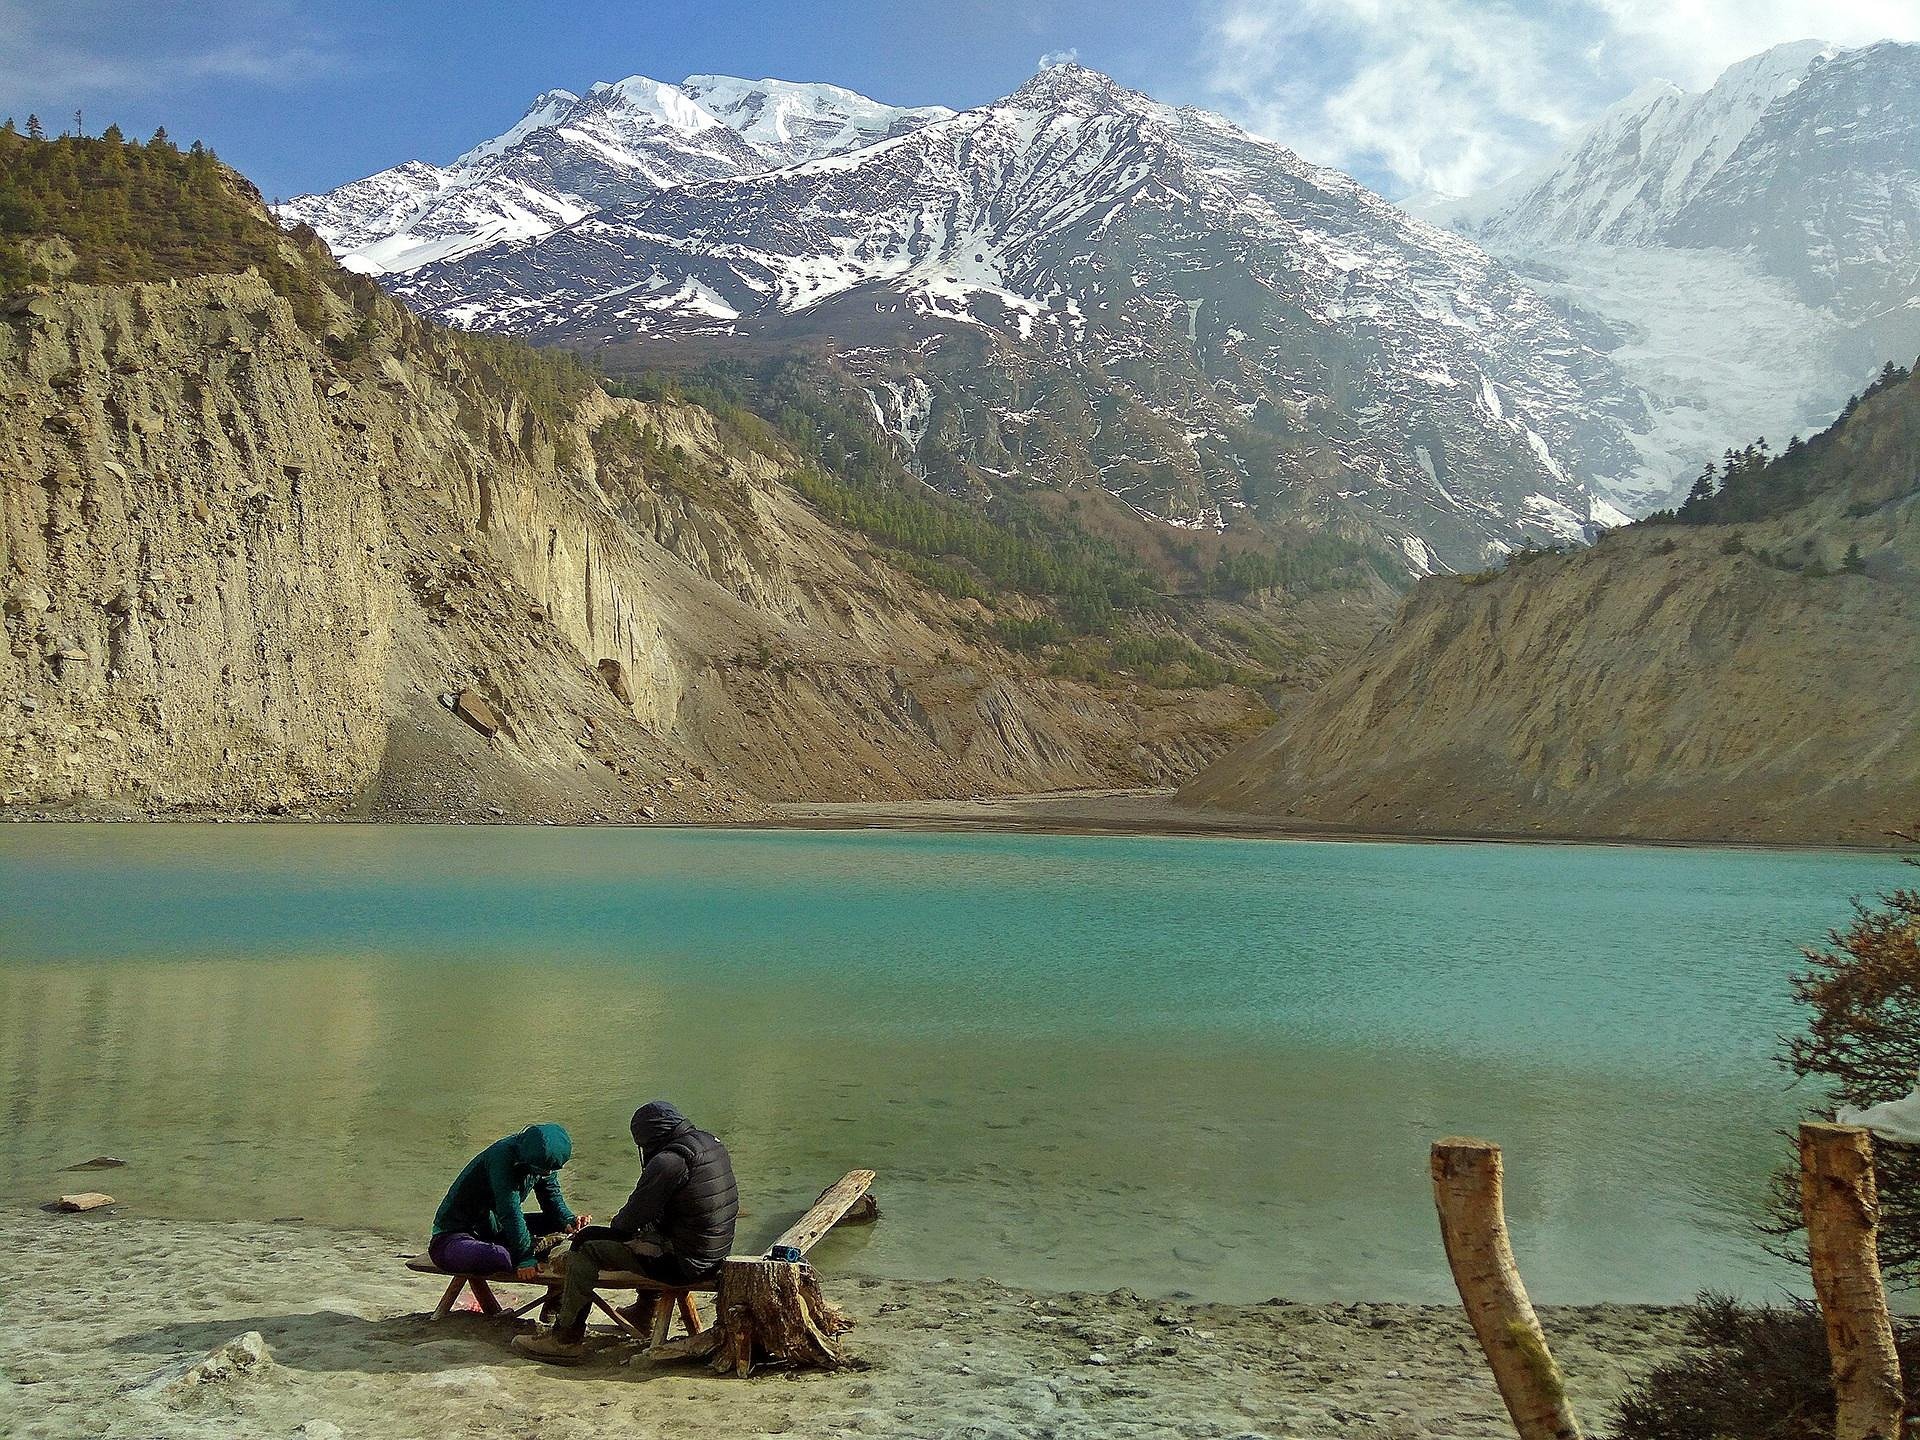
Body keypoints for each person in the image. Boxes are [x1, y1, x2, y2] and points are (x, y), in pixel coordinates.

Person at [513, 1100, 738, 1362]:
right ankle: (644, 1312)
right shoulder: (710, 1143)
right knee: (649, 1232)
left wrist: (601, 1232)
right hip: (714, 1254)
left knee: (585, 1248)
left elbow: (627, 1222)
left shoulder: (668, 1162)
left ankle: (565, 1338)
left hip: (685, 1264)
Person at [431, 1123, 588, 1280]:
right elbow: (510, 1211)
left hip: (495, 1230)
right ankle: (531, 1248)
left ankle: (536, 1247)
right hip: (452, 1237)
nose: (547, 1173)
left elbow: (551, 1196)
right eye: (543, 1170)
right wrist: (525, 1257)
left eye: (551, 1170)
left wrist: (568, 1220)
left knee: (564, 1228)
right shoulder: (501, 1157)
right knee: (499, 1257)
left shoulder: (543, 1163)